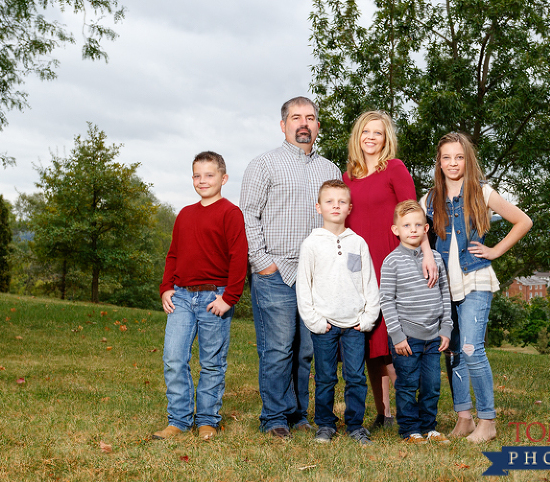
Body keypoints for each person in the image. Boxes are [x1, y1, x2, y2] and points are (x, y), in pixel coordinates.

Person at [241, 97, 342, 439]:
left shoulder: (331, 171)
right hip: (275, 272)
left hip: (315, 276)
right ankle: (274, 418)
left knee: (304, 352)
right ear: (282, 125)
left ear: (317, 126)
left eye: (310, 118)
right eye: (296, 118)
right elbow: (248, 216)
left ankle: (299, 413)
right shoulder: (264, 165)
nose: (304, 123)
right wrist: (262, 262)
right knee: (278, 349)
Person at [422, 132, 532, 443]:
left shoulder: (482, 193)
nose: (453, 163)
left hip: (475, 280)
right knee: (454, 350)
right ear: (439, 162)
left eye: (459, 157)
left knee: (472, 348)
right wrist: (427, 258)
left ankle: (487, 422)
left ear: (467, 160)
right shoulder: (428, 200)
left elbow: (523, 221)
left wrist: (495, 250)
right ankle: (464, 418)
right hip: (444, 286)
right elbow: (419, 238)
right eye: (446, 157)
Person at [342, 110, 437, 429]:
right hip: (359, 265)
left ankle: (407, 410)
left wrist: (426, 253)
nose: (371, 137)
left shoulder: (395, 169)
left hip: (393, 260)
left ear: (386, 139)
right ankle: (384, 413)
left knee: (396, 339)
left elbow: (413, 212)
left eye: (378, 133)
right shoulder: (348, 177)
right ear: (358, 137)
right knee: (370, 342)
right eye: (366, 132)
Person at [154, 151, 248, 441]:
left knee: (212, 362)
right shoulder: (185, 214)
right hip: (182, 296)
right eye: (197, 175)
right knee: (173, 357)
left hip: (214, 299)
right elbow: (174, 254)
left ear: (224, 178)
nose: (203, 180)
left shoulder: (230, 213)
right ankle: (178, 420)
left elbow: (239, 258)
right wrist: (166, 287)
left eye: (209, 175)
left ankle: (208, 419)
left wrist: (228, 298)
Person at [296, 180, 380, 445]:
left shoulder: (358, 243)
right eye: (330, 201)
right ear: (319, 207)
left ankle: (356, 425)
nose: (336, 206)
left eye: (341, 202)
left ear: (349, 208)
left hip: (355, 324)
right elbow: (304, 286)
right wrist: (315, 321)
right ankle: (325, 424)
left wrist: (368, 318)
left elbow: (369, 282)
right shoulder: (312, 243)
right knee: (325, 377)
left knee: (355, 376)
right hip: (325, 325)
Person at [379, 200, 452, 444]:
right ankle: (410, 430)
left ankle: (429, 426)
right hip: (407, 338)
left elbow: (445, 295)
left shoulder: (437, 260)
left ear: (425, 229)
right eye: (407, 225)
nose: (413, 229)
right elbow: (386, 300)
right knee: (408, 385)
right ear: (395, 230)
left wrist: (446, 328)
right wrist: (397, 336)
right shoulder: (391, 262)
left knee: (431, 386)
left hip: (433, 336)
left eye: (418, 225)